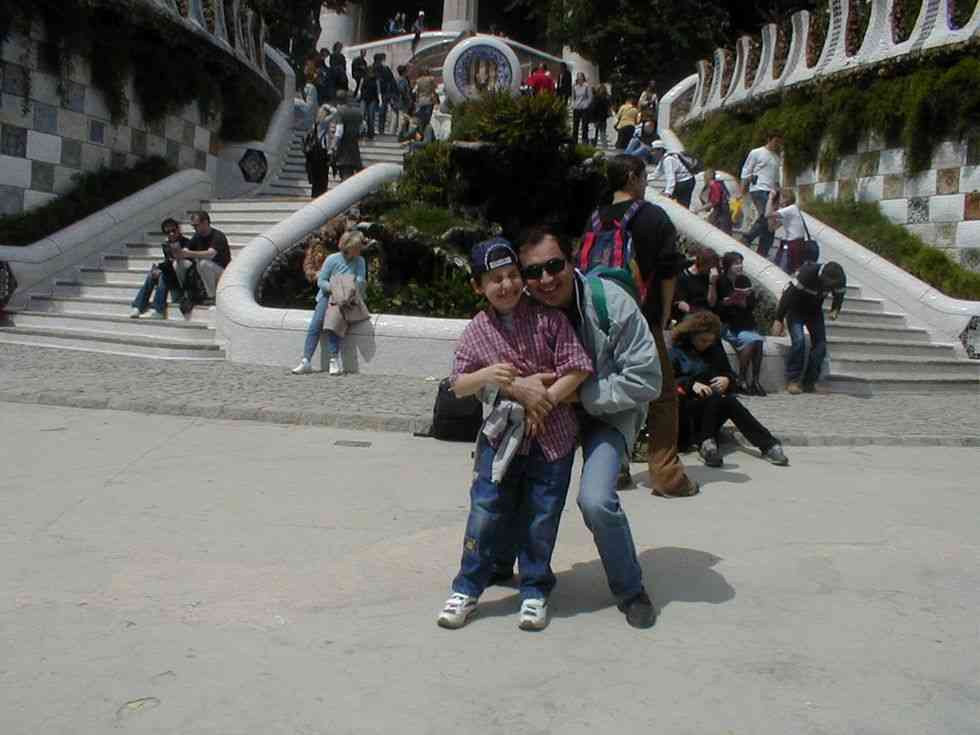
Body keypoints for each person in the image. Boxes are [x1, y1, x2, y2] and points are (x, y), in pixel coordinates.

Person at [507, 227, 663, 628]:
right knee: (508, 480)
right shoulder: (520, 309)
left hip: (607, 414)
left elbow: (648, 380)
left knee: (596, 500)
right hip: (548, 412)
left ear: (572, 260)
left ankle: (630, 590)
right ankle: (497, 562)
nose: (546, 279)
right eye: (533, 272)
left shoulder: (612, 304)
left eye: (554, 265)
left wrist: (581, 395)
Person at [436, 238, 593, 631]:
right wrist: (490, 376)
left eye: (511, 276)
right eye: (495, 279)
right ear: (478, 286)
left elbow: (577, 367)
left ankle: (535, 589)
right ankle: (467, 586)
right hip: (500, 438)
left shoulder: (549, 320)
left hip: (553, 437)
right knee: (486, 511)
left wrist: (544, 401)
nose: (506, 285)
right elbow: (459, 383)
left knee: (542, 516)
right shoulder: (477, 330)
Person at [602, 155, 698, 498]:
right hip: (642, 319)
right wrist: (664, 316)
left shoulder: (596, 217)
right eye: (644, 177)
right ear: (632, 177)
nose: (645, 183)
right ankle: (666, 475)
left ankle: (613, 467)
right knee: (664, 395)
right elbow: (669, 271)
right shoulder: (654, 216)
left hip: (601, 319)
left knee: (614, 390)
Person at [670, 311, 789, 467]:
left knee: (729, 401)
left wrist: (727, 380)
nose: (706, 344)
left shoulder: (714, 350)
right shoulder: (677, 351)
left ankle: (768, 445)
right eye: (702, 340)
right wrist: (691, 384)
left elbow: (730, 375)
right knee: (715, 398)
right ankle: (707, 443)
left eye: (710, 341)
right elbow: (667, 382)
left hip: (712, 409)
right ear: (692, 335)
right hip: (688, 413)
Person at [293, 230, 368, 376]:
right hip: (328, 295)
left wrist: (349, 289)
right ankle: (306, 360)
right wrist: (335, 288)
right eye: (358, 247)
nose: (360, 249)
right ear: (350, 247)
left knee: (334, 322)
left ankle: (334, 359)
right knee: (316, 323)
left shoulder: (360, 261)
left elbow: (360, 280)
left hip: (347, 298)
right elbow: (321, 281)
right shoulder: (332, 259)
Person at [772, 261, 846, 394]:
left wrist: (835, 309)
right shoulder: (807, 272)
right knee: (799, 341)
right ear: (822, 275)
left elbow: (839, 295)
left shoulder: (840, 279)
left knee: (820, 346)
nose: (828, 288)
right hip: (795, 309)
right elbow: (788, 294)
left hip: (814, 311)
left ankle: (809, 382)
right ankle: (793, 380)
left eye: (831, 286)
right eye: (827, 284)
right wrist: (779, 319)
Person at [716, 251, 766, 395]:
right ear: (728, 266)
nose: (740, 266)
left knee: (758, 341)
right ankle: (742, 379)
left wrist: (745, 301)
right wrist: (729, 301)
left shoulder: (744, 280)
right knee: (753, 341)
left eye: (741, 263)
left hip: (744, 323)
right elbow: (718, 306)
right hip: (729, 324)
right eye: (736, 263)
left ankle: (755, 381)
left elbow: (750, 305)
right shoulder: (721, 281)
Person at [129, 218, 189, 319]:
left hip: (183, 281)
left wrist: (162, 269)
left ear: (178, 229)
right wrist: (158, 269)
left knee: (163, 275)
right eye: (167, 232)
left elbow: (185, 265)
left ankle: (158, 310)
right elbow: (168, 262)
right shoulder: (167, 245)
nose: (171, 234)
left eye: (173, 230)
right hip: (172, 277)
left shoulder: (187, 243)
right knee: (152, 275)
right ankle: (138, 306)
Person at [740, 131, 784, 258]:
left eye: (779, 142)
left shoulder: (776, 158)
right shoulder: (756, 152)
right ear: (769, 139)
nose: (777, 144)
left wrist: (779, 194)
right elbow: (746, 169)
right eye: (775, 141)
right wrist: (743, 187)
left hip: (771, 192)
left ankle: (763, 252)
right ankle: (747, 238)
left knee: (770, 224)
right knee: (766, 216)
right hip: (758, 189)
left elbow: (776, 178)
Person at [174, 212, 231, 303]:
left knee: (203, 263)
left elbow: (210, 254)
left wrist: (188, 253)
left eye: (196, 225)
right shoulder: (197, 236)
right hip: (206, 271)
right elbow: (187, 249)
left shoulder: (218, 236)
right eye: (193, 226)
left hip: (223, 273)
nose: (194, 228)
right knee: (178, 264)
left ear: (205, 222)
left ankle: (212, 296)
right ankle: (186, 292)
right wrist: (179, 253)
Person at [767, 188, 806, 274]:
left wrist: (770, 199)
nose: (778, 199)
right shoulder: (786, 211)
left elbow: (768, 214)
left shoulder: (791, 208)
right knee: (782, 267)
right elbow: (771, 228)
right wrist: (773, 209)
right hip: (790, 243)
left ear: (786, 199)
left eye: (780, 197)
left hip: (794, 243)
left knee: (784, 269)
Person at [674, 247, 719, 321]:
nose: (712, 270)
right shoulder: (683, 276)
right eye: (710, 266)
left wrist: (712, 283)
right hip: (691, 314)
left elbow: (712, 303)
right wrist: (697, 313)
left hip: (705, 313)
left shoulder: (709, 277)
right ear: (703, 264)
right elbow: (681, 304)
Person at [649, 140, 696, 208]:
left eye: (653, 151)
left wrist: (668, 193)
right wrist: (645, 178)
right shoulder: (665, 157)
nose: (652, 153)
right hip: (689, 180)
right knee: (683, 204)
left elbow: (671, 178)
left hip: (684, 183)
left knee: (680, 204)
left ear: (660, 150)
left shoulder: (668, 160)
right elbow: (657, 173)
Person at [305, 104, 336, 198]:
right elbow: (336, 112)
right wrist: (327, 106)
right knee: (322, 178)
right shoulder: (323, 123)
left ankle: (315, 196)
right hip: (321, 154)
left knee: (317, 178)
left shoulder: (316, 123)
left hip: (314, 154)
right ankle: (320, 197)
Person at [333, 90, 363, 180]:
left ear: (337, 100)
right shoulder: (358, 112)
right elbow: (362, 129)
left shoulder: (340, 112)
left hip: (343, 150)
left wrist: (334, 145)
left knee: (346, 178)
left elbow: (339, 131)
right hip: (354, 147)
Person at [695, 167, 733, 235]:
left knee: (722, 231)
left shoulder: (714, 186)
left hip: (722, 211)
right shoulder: (715, 185)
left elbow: (715, 201)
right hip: (720, 210)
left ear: (708, 177)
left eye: (705, 177)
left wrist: (699, 209)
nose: (704, 179)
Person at [373, 53, 397, 136]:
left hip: (381, 93)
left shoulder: (383, 69)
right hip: (382, 93)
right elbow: (390, 80)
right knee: (382, 111)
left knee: (381, 111)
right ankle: (380, 129)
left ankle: (379, 129)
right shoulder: (382, 69)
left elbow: (391, 80)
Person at [571, 72, 593, 144]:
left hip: (584, 108)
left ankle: (584, 142)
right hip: (576, 108)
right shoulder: (575, 86)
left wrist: (586, 105)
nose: (579, 78)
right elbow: (573, 97)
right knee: (575, 126)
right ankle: (574, 142)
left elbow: (590, 97)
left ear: (583, 78)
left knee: (584, 126)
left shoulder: (587, 86)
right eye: (578, 77)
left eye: (580, 77)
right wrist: (573, 105)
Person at [361, 66, 382, 139]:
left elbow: (378, 90)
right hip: (364, 98)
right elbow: (360, 88)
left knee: (371, 116)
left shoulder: (376, 80)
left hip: (372, 99)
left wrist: (380, 100)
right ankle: (362, 132)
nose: (371, 73)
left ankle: (370, 133)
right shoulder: (364, 78)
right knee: (363, 116)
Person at [394, 64, 414, 137]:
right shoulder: (403, 80)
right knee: (402, 116)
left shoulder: (397, 79)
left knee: (400, 116)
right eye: (406, 71)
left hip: (398, 100)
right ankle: (400, 131)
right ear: (404, 72)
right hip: (403, 101)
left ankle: (398, 130)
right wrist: (407, 98)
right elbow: (402, 89)